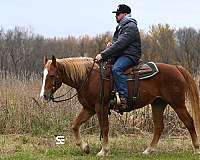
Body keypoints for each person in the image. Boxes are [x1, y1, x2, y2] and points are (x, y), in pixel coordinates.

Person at [95, 4, 141, 111]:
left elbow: (120, 44)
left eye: (118, 14)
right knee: (106, 68)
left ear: (125, 15)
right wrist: (110, 46)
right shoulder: (121, 26)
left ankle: (124, 98)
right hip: (122, 54)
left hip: (130, 55)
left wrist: (103, 54)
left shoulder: (130, 26)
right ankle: (111, 95)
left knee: (116, 69)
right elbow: (116, 43)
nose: (116, 16)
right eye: (116, 14)